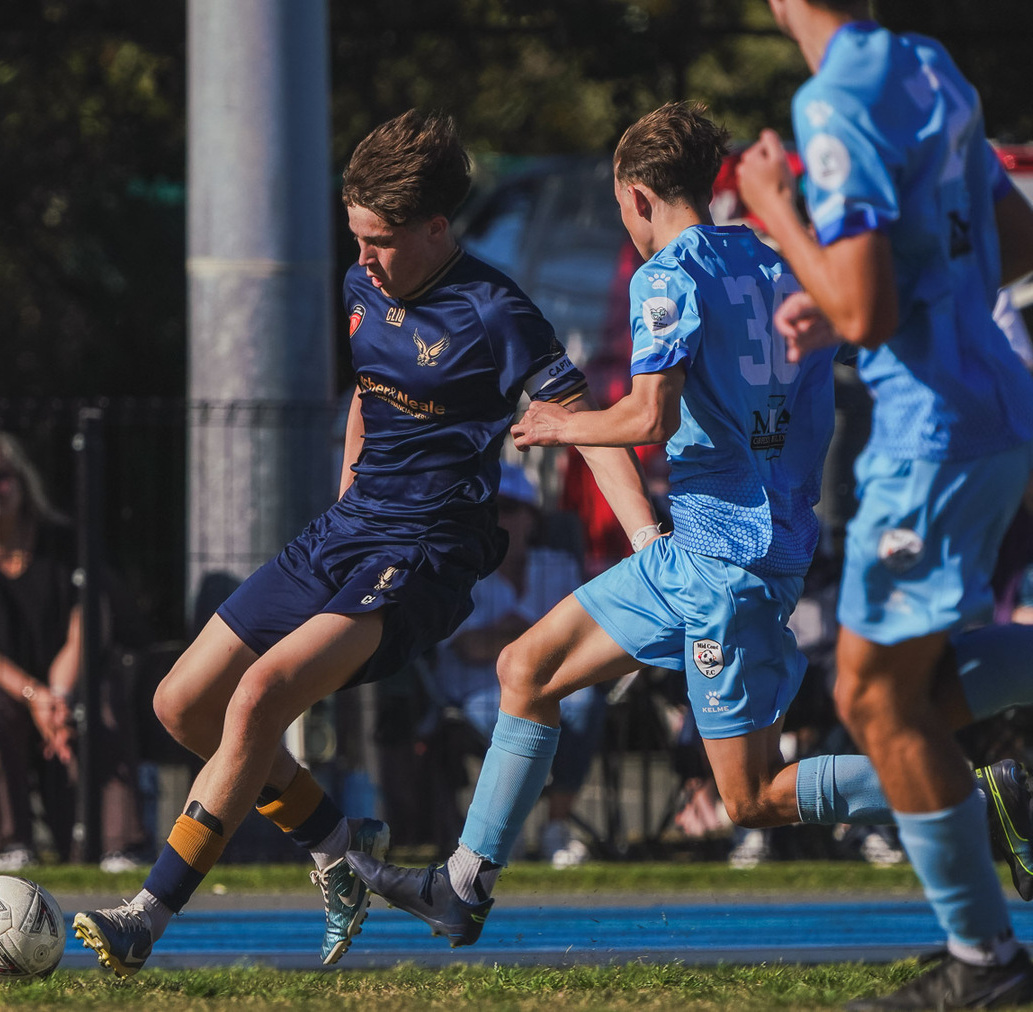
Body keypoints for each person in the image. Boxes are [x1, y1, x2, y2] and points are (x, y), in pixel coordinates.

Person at [353, 100, 989, 952]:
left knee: (752, 796)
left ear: (640, 196)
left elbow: (650, 416)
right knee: (526, 668)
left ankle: (979, 793)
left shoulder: (667, 276)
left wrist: (555, 425)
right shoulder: (773, 264)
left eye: (623, 209)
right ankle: (463, 884)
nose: (627, 227)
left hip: (725, 565)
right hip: (711, 549)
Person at [72, 110, 658, 976]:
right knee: (181, 705)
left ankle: (144, 919)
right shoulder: (361, 287)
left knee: (259, 695)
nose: (362, 259)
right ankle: (343, 847)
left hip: (425, 552)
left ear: (434, 227)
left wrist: (644, 538)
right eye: (354, 238)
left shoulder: (497, 311)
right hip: (347, 533)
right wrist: (347, 494)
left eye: (379, 241)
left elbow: (588, 428)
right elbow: (367, 394)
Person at [737, 2, 1033, 1006]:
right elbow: (1011, 237)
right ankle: (978, 954)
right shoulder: (926, 66)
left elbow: (867, 307)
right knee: (911, 688)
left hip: (930, 433)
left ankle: (983, 963)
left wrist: (772, 205)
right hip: (992, 407)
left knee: (873, 697)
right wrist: (847, 306)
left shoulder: (835, 99)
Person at [0, 429, 148, 873]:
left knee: (100, 693)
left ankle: (115, 847)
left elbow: (88, 628)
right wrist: (34, 695)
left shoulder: (63, 542)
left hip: (60, 685)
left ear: (22, 482)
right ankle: (11, 845)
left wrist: (56, 696)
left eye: (0, 476)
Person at [423, 464, 602, 868]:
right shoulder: (462, 570)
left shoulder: (557, 566)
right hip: (476, 690)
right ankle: (508, 827)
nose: (497, 519)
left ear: (532, 518)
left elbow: (581, 642)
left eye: (508, 508)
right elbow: (469, 647)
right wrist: (534, 640)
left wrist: (506, 639)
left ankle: (555, 828)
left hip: (552, 689)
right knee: (504, 719)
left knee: (586, 705)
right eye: (490, 509)